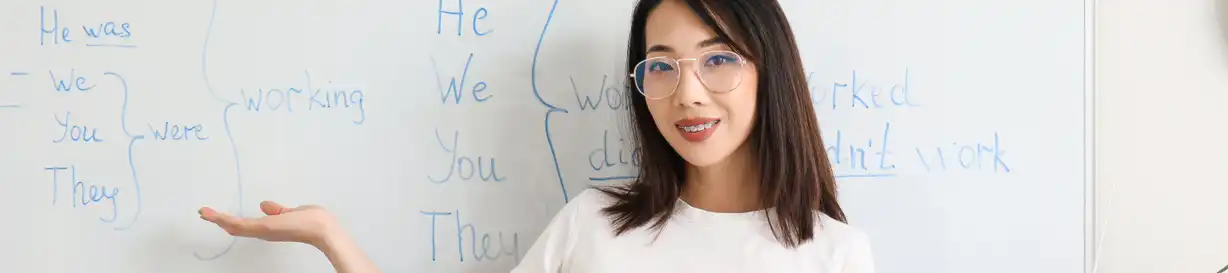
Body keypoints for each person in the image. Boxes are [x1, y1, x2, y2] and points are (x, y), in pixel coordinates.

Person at [197, 0, 876, 272]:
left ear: (770, 69)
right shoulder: (594, 224)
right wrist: (330, 238)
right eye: (661, 65)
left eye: (719, 57)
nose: (688, 91)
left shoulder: (835, 253)